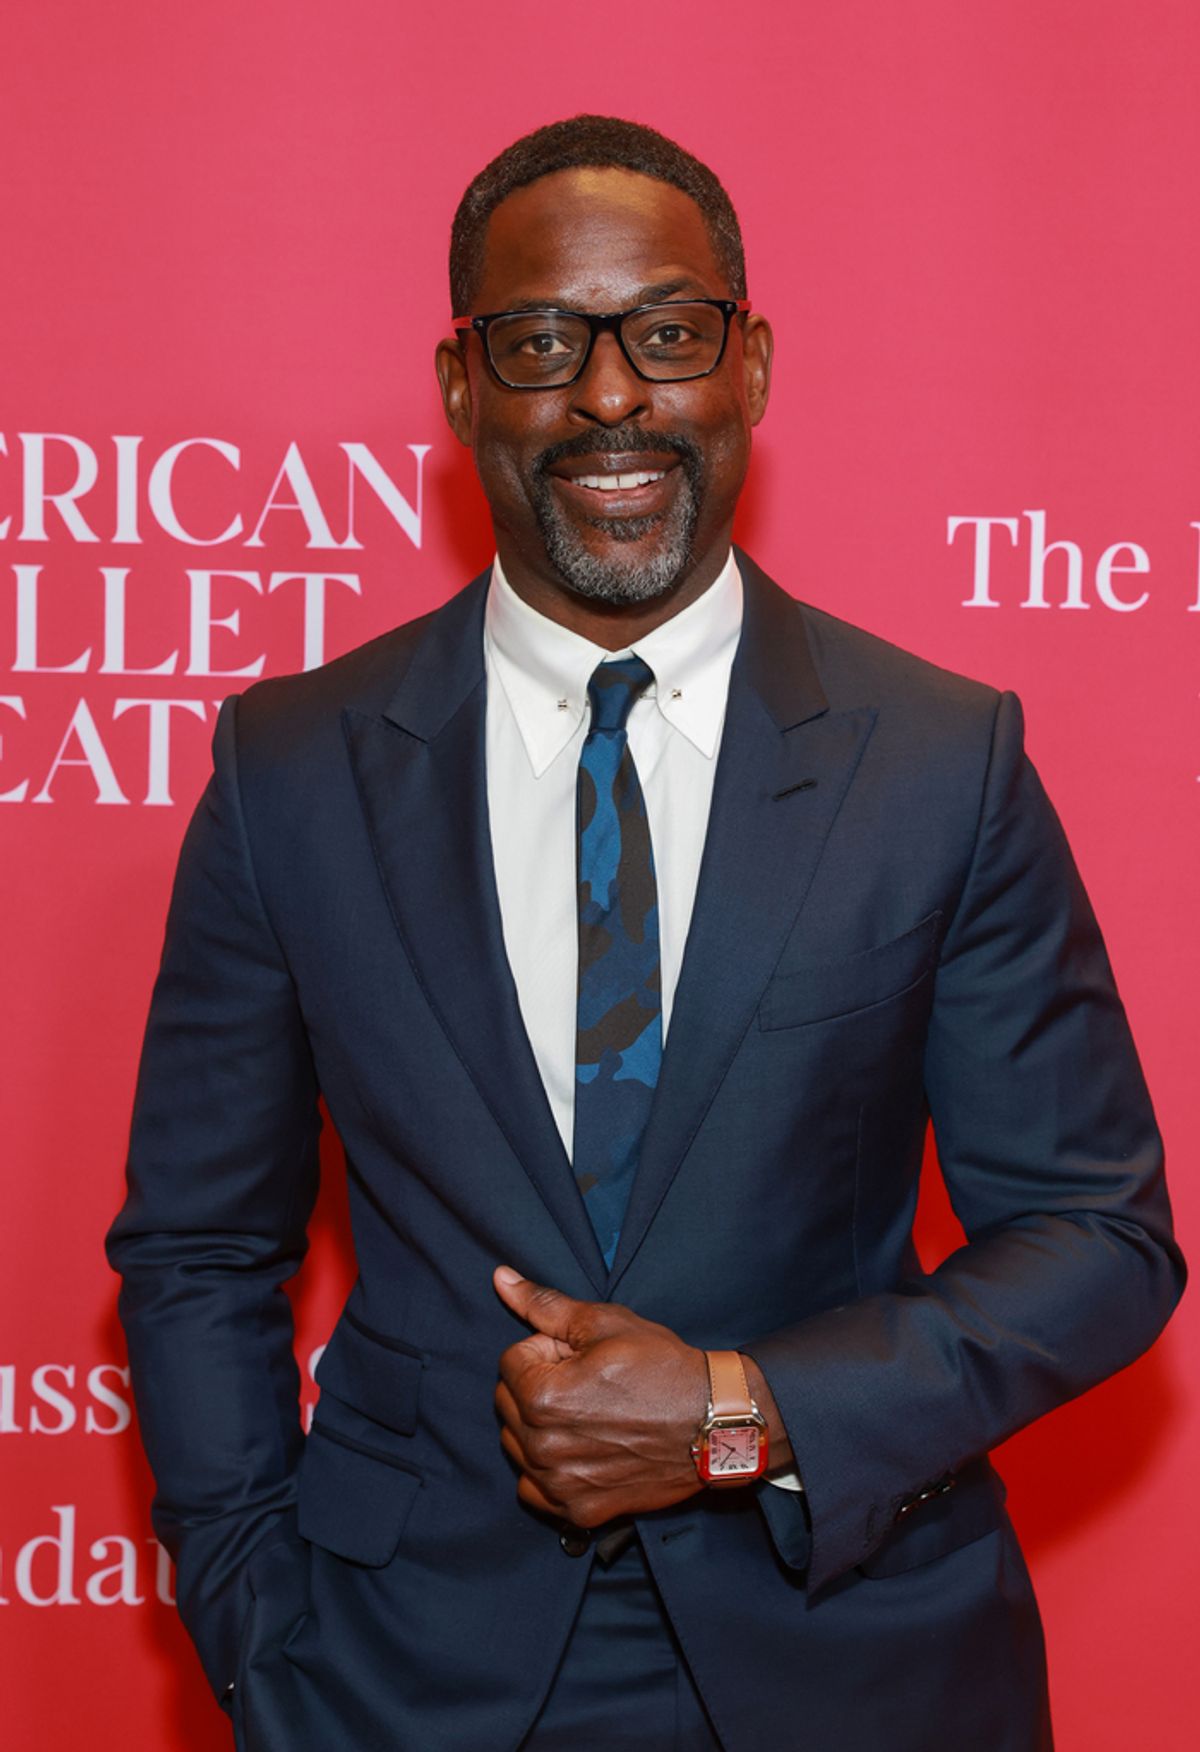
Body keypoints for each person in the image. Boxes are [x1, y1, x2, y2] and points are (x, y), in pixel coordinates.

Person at [107, 115, 1184, 1752]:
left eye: (668, 335)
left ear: (748, 365)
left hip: (858, 1658)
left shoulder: (936, 760)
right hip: (398, 1679)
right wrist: (261, 1632)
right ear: (465, 386)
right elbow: (198, 1246)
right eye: (543, 341)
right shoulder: (290, 770)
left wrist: (736, 1418)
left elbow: (1100, 1242)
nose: (612, 395)